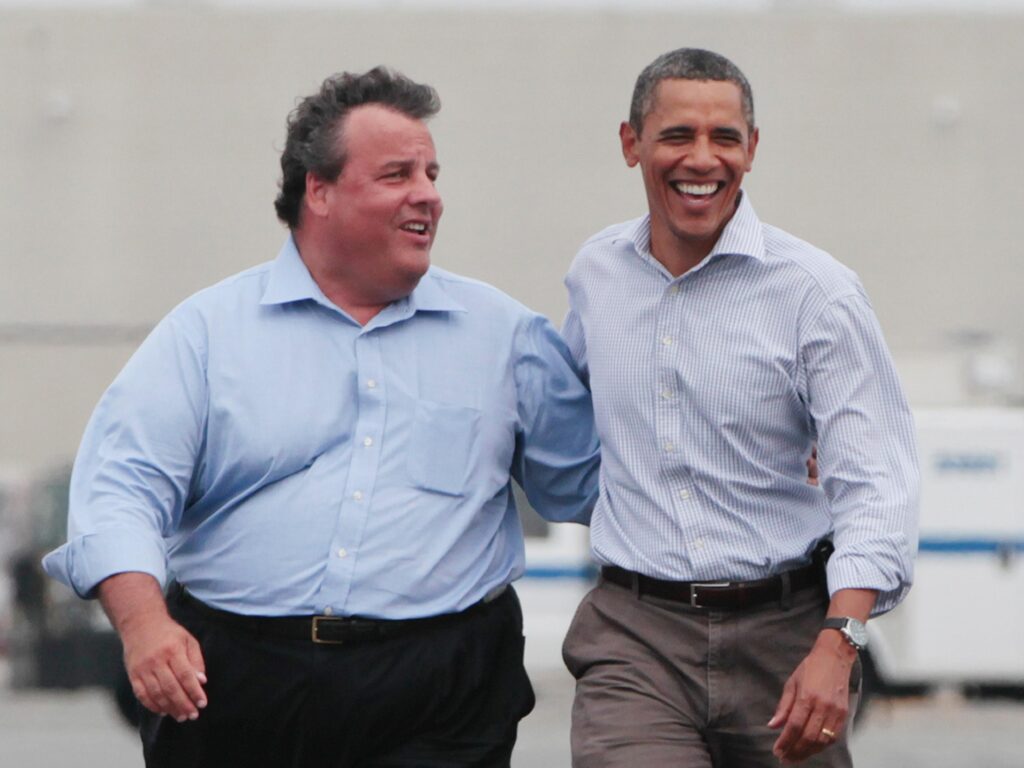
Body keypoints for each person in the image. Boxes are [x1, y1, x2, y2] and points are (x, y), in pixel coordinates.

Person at [42, 67, 600, 768]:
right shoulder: (207, 334)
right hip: (240, 683)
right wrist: (145, 625)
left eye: (432, 172)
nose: (428, 194)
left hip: (441, 691)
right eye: (397, 174)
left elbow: (591, 484)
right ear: (319, 190)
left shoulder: (506, 337)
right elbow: (120, 491)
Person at [560, 48, 919, 767]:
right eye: (676, 136)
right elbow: (563, 421)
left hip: (785, 636)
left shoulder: (818, 295)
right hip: (637, 636)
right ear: (631, 145)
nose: (703, 158)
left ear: (751, 149)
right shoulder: (596, 275)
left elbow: (875, 483)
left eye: (724, 138)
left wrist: (838, 644)